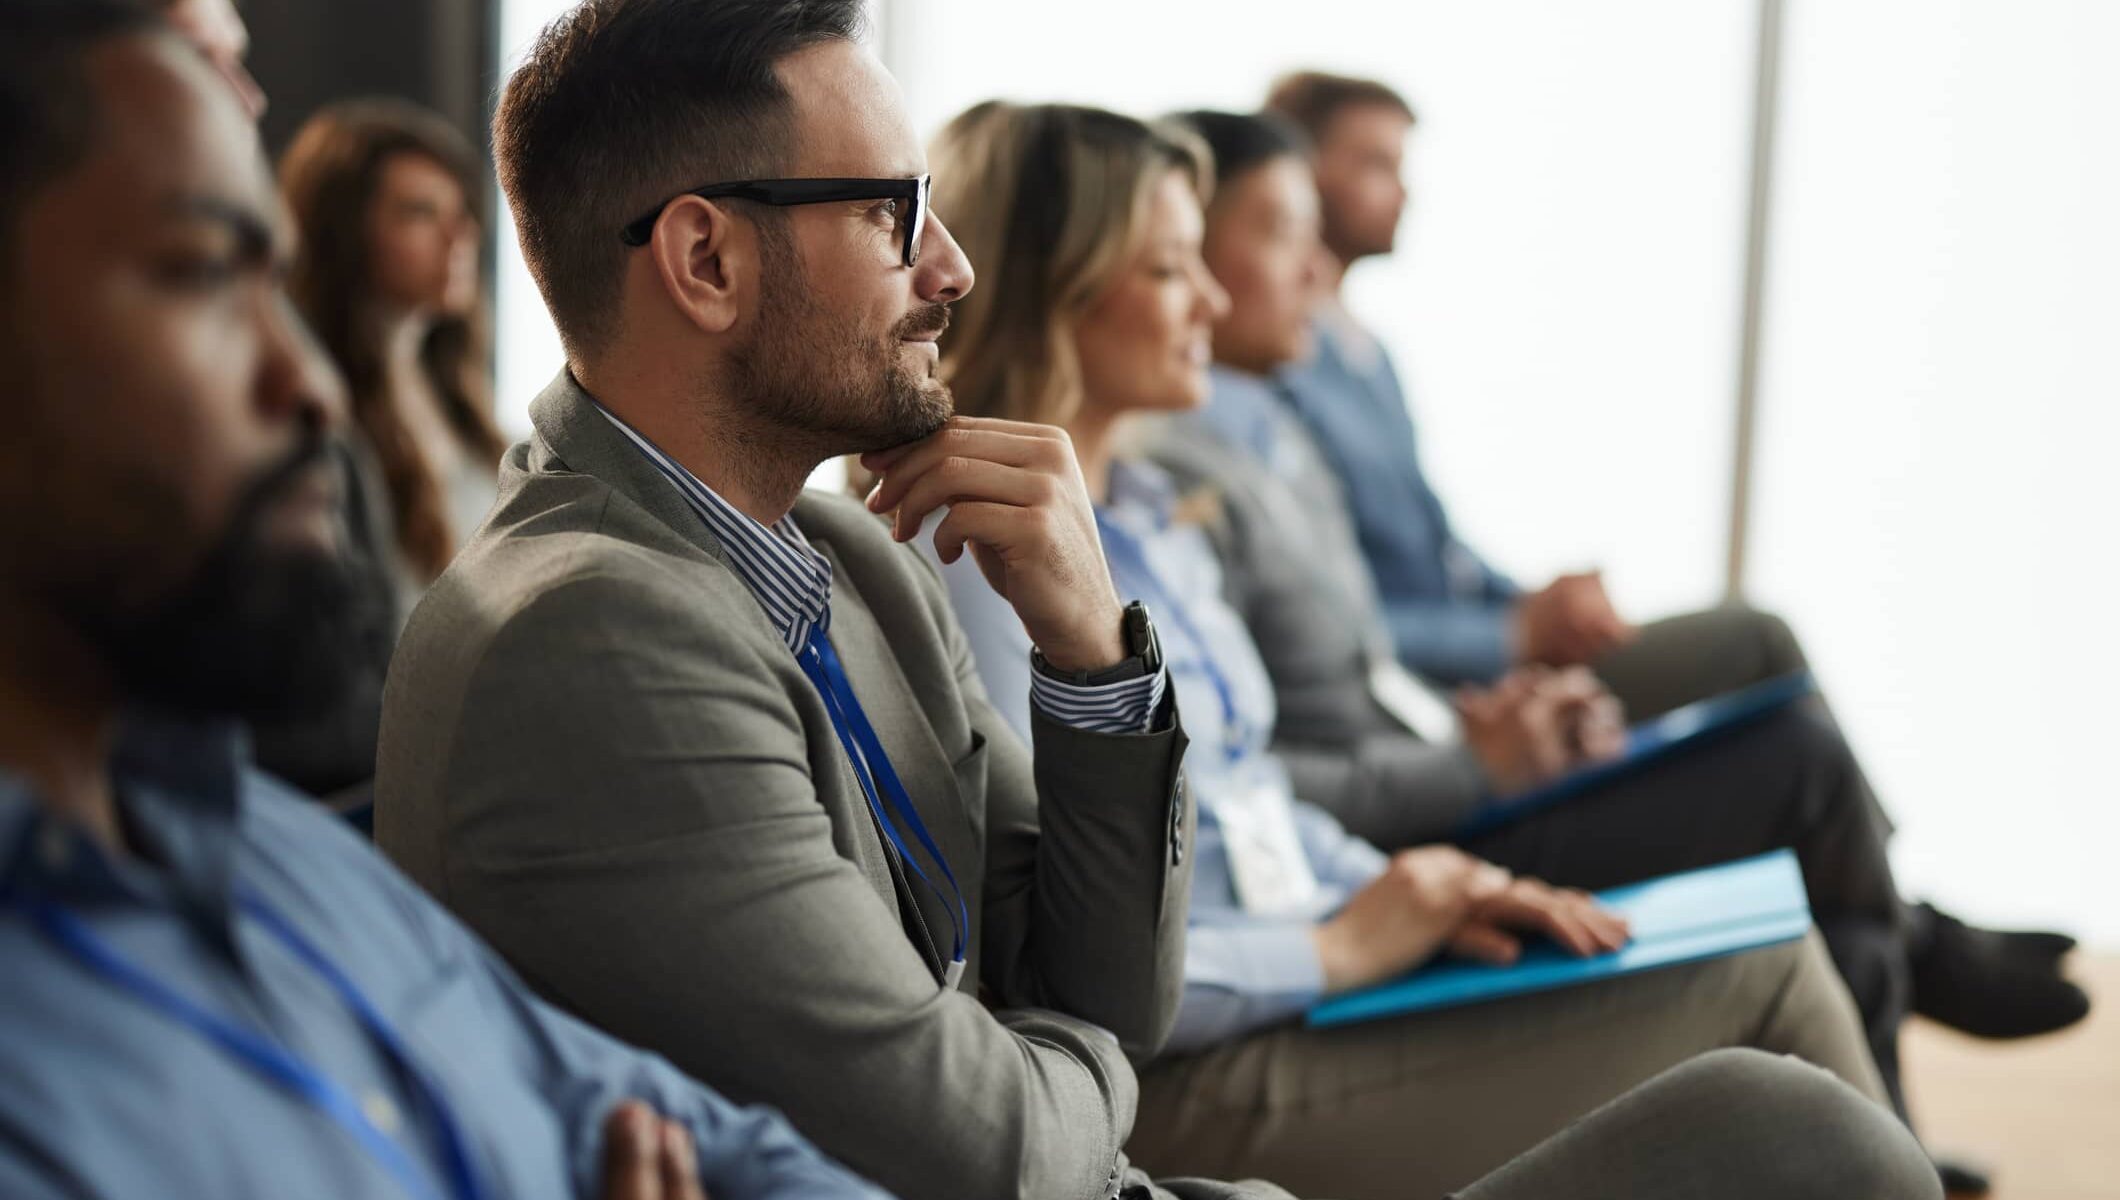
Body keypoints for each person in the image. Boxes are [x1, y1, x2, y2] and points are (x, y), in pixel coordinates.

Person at [922, 98, 1915, 1200]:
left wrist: (1410, 884)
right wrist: (1337, 945)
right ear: (1056, 288)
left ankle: (1915, 947)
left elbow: (1243, 799)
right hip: (1181, 1066)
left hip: (1312, 957)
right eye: (1169, 269)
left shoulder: (1158, 514)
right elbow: (1059, 966)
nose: (1209, 293)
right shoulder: (982, 565)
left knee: (1773, 943)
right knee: (1765, 986)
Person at [0, 5, 895, 1198]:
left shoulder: (287, 869)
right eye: (203, 272)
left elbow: (754, 1158)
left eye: (273, 278)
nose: (304, 385)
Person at [1157, 106, 2086, 1189]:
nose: (1299, 265)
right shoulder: (1177, 487)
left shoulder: (1267, 431)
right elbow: (1242, 792)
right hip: (1401, 808)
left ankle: (1897, 1006)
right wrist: (1476, 750)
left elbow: (1382, 618)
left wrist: (1520, 665)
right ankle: (1917, 967)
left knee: (1837, 902)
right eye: (1268, 230)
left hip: (1414, 778)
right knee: (1792, 760)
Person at [280, 98, 509, 614]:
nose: (459, 237)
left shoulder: (462, 401)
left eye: (462, 213)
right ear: (343, 231)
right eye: (420, 212)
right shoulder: (310, 409)